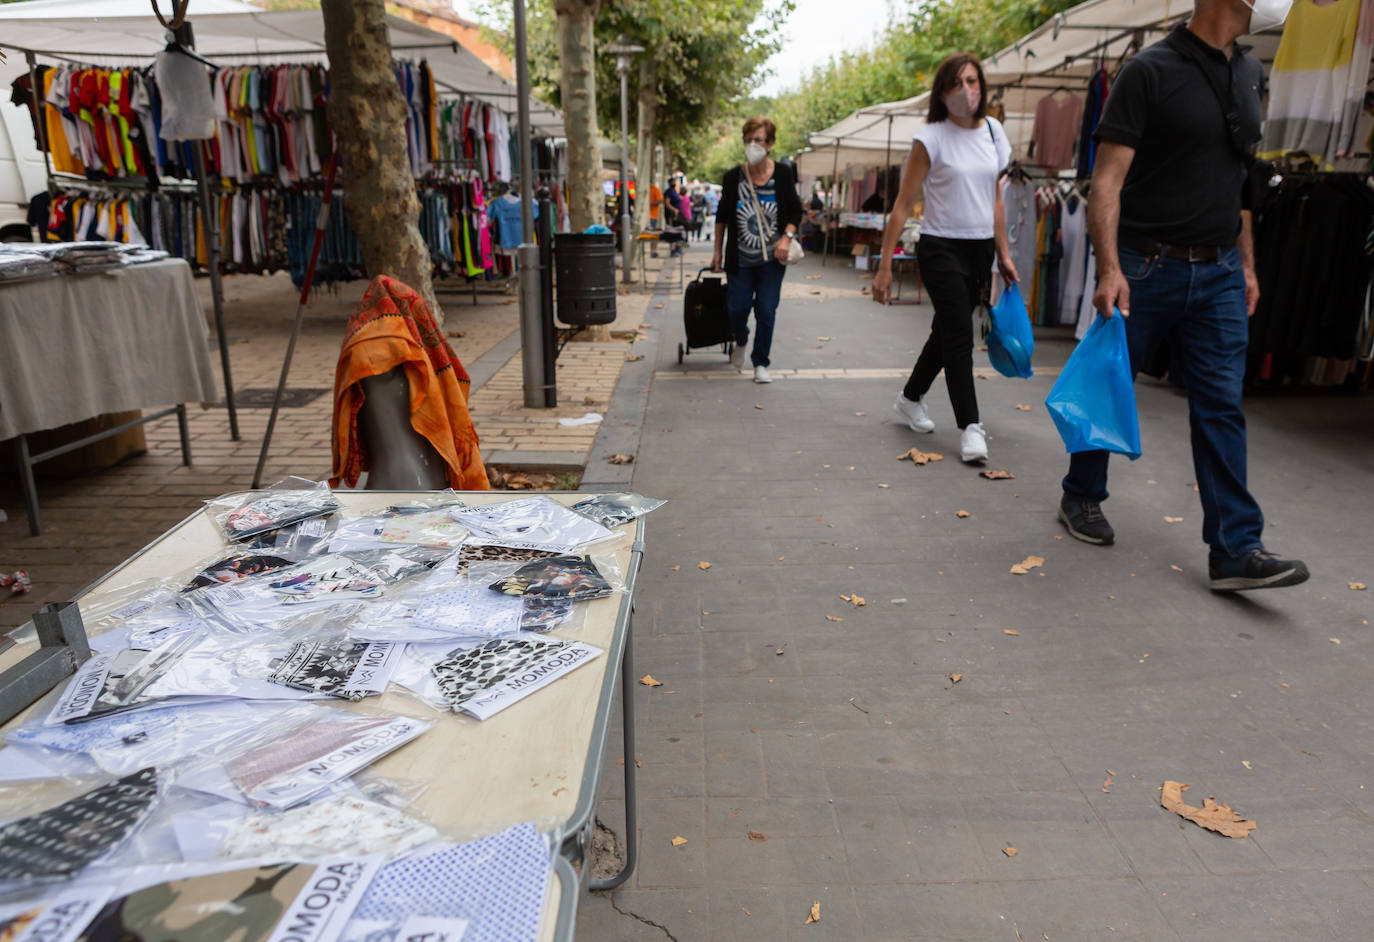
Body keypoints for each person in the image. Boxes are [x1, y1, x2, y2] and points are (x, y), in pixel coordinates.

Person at [1056, 0, 1308, 592]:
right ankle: (1081, 494)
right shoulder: (1149, 71)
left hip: (1219, 270)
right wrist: (1109, 269)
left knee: (1221, 405)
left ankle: (1236, 549)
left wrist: (1246, 265)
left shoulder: (1249, 73)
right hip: (1147, 265)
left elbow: (1241, 183)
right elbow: (1108, 181)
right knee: (1111, 384)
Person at [873, 54, 1019, 464]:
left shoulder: (994, 132)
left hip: (980, 249)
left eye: (973, 81)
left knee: (947, 332)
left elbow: (996, 199)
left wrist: (1003, 255)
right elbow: (903, 205)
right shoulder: (930, 138)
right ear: (943, 92)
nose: (967, 90)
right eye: (956, 83)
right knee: (958, 332)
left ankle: (910, 398)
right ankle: (970, 427)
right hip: (939, 246)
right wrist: (884, 266)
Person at [712, 117, 804, 384]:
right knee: (737, 309)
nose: (753, 145)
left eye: (759, 140)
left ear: (770, 144)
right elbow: (721, 217)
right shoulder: (733, 177)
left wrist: (786, 238)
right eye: (748, 140)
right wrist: (717, 251)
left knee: (767, 309)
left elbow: (795, 211)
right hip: (739, 259)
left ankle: (761, 362)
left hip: (772, 259)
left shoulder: (783, 175)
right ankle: (740, 339)